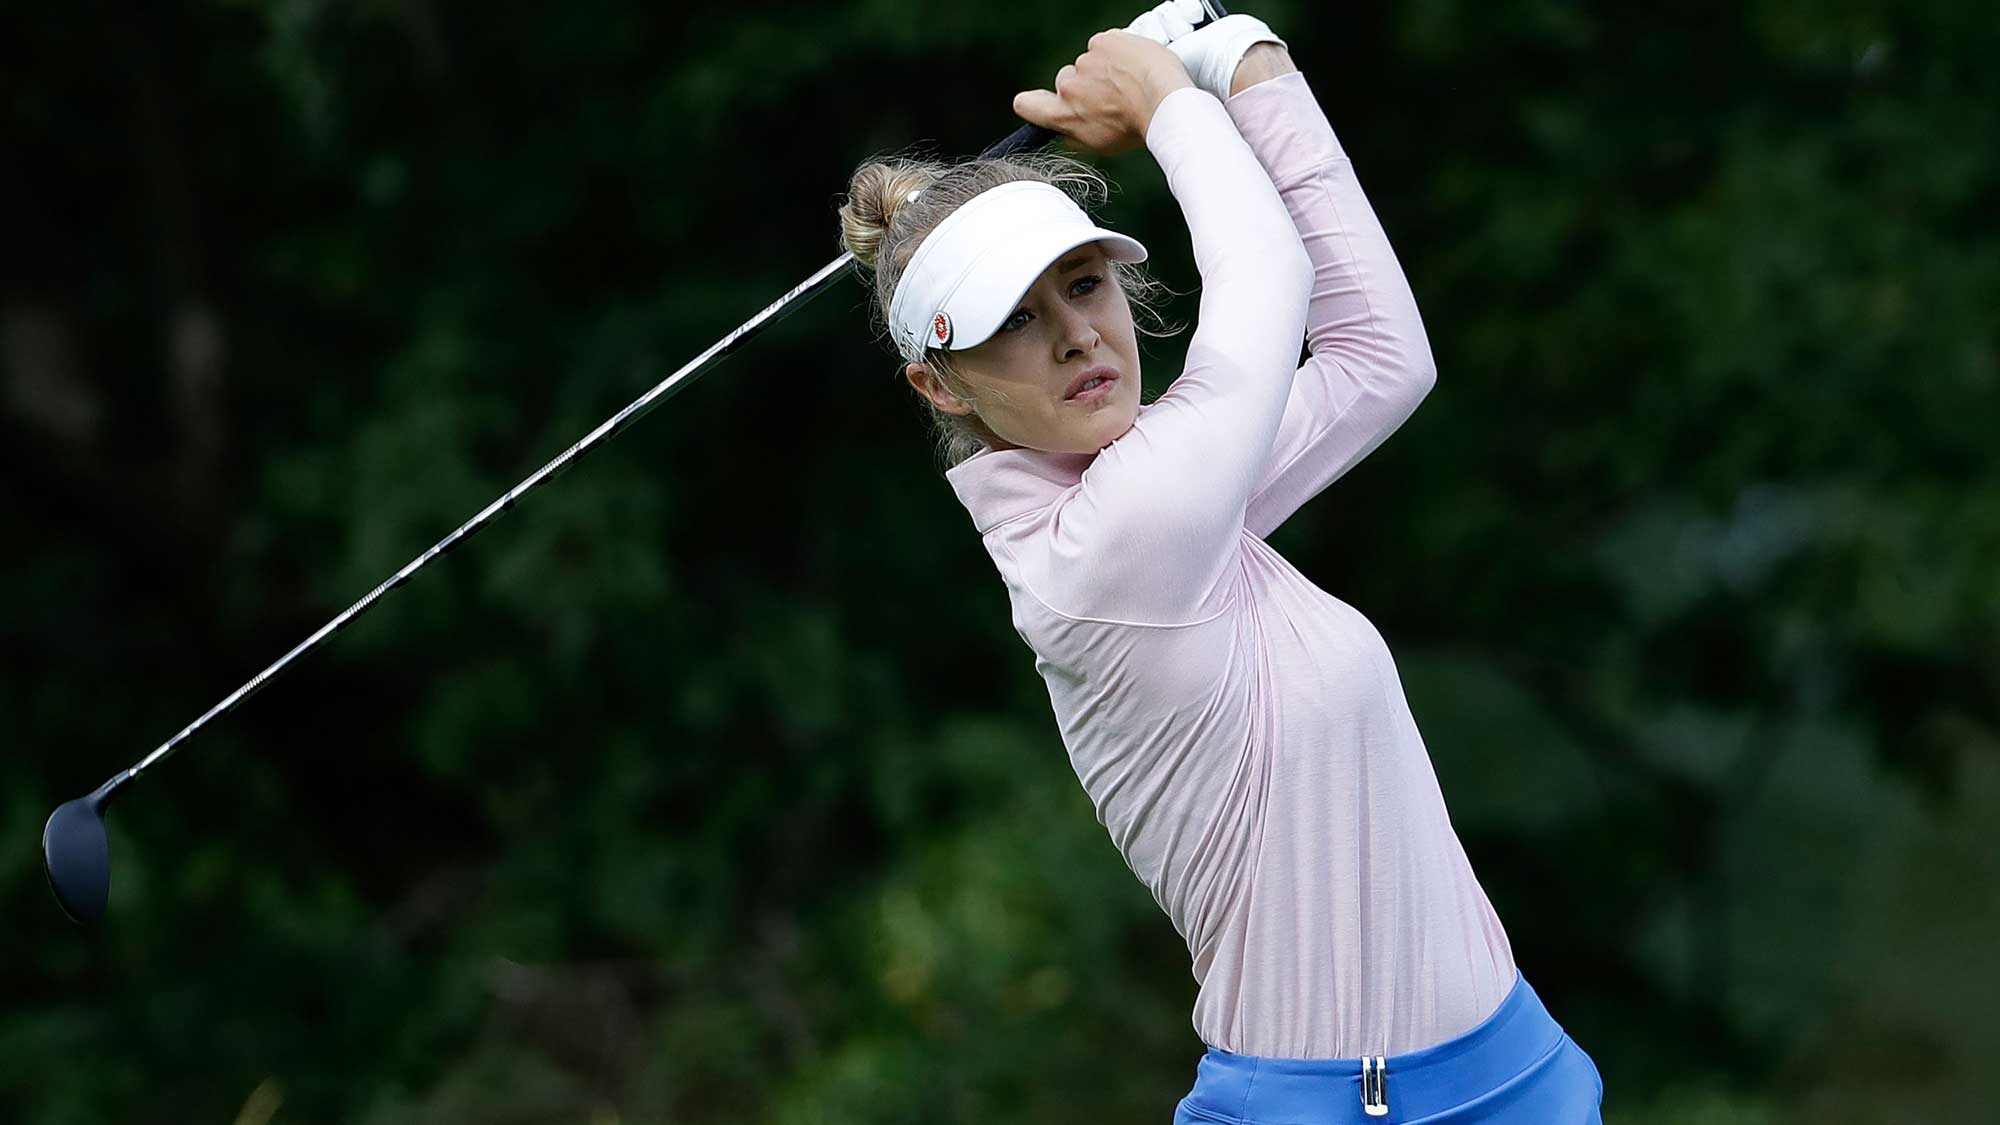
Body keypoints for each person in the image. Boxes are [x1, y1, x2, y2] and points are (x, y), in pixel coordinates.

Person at [836, 6, 1606, 1122]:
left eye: (1083, 285)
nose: (1073, 337)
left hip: (1516, 1072)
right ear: (939, 386)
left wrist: (1248, 62)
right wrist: (1172, 101)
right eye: (1012, 319)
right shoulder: (1099, 556)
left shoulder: (1179, 501)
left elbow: (1378, 358)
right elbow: (1267, 286)